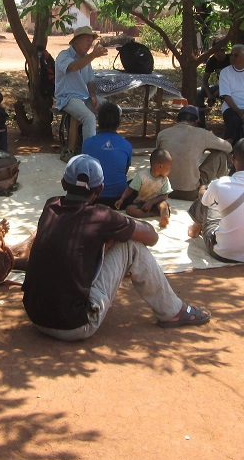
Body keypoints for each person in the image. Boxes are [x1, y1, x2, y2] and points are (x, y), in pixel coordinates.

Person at [22, 155, 210, 340]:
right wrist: (116, 231)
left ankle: (171, 309)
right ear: (100, 188)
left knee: (110, 241)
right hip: (75, 325)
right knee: (130, 244)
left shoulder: (51, 205)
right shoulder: (102, 216)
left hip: (36, 317)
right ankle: (173, 311)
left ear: (63, 183)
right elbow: (151, 237)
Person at [188, 138, 244, 263]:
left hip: (222, 253)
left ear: (233, 159)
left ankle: (196, 226)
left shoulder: (220, 184)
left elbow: (205, 202)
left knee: (207, 196)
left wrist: (203, 191)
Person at [155, 105, 232, 200]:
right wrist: (211, 142)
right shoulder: (203, 134)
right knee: (220, 155)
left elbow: (157, 157)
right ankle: (225, 187)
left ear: (178, 119)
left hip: (164, 190)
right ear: (196, 121)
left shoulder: (162, 134)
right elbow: (228, 148)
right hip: (190, 192)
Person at [54, 25, 108, 141]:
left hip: (84, 97)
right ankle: (89, 153)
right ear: (76, 40)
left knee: (113, 110)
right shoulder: (64, 55)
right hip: (67, 98)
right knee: (89, 117)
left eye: (91, 41)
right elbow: (73, 67)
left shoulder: (86, 58)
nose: (90, 44)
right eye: (87, 40)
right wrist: (93, 55)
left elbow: (90, 82)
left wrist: (93, 97)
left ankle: (105, 143)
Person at [81, 101, 133, 207]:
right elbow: (124, 171)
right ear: (118, 123)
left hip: (93, 199)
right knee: (136, 183)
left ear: (99, 121)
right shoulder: (126, 145)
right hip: (119, 199)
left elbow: (84, 170)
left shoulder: (87, 143)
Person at [115, 149, 173, 228]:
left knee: (164, 206)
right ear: (160, 166)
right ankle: (153, 213)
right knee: (129, 209)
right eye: (169, 167)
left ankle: (164, 217)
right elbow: (130, 188)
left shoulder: (164, 179)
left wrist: (151, 202)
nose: (170, 170)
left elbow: (165, 196)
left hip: (157, 202)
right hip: (141, 202)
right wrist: (121, 199)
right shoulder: (142, 175)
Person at [195, 48, 231, 126]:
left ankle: (229, 123)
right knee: (198, 92)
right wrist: (209, 95)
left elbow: (231, 83)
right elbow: (205, 81)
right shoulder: (212, 61)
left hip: (231, 88)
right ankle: (201, 123)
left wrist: (214, 95)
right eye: (216, 51)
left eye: (220, 51)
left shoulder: (231, 60)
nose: (218, 54)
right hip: (219, 87)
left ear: (224, 51)